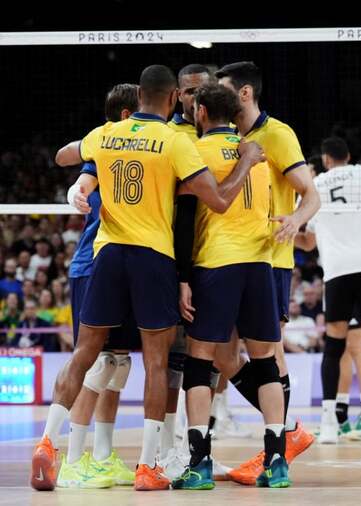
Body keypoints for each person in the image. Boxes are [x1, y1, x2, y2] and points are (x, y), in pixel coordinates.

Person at [32, 64, 264, 492]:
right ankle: (146, 466)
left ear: (138, 95)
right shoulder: (175, 141)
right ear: (174, 98)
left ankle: (48, 441)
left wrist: (87, 169)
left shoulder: (104, 134)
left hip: (107, 254)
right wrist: (247, 160)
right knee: (157, 362)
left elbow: (65, 155)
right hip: (152, 256)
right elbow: (219, 200)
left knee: (87, 353)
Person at [172, 83, 288, 490]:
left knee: (200, 362)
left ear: (201, 111)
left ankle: (199, 463)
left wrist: (182, 277)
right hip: (259, 264)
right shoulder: (257, 155)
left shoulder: (194, 152)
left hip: (215, 264)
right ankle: (277, 460)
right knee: (266, 363)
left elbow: (185, 218)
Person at [216, 61, 320, 484]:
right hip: (227, 258)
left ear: (244, 93)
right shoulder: (224, 137)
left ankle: (275, 448)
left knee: (270, 356)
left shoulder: (277, 134)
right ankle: (289, 430)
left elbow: (310, 194)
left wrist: (296, 221)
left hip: (268, 260)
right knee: (222, 355)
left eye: (222, 90)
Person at [54, 83, 140, 489]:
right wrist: (78, 186)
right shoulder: (105, 146)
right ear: (126, 116)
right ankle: (70, 458)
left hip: (125, 264)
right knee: (96, 361)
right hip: (93, 265)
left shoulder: (141, 148)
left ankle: (102, 456)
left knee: (119, 363)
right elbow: (65, 158)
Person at [296, 136, 361, 444]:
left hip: (337, 269)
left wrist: (284, 233)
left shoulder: (317, 185)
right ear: (348, 155)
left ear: (326, 159)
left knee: (334, 345)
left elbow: (309, 242)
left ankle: (329, 426)